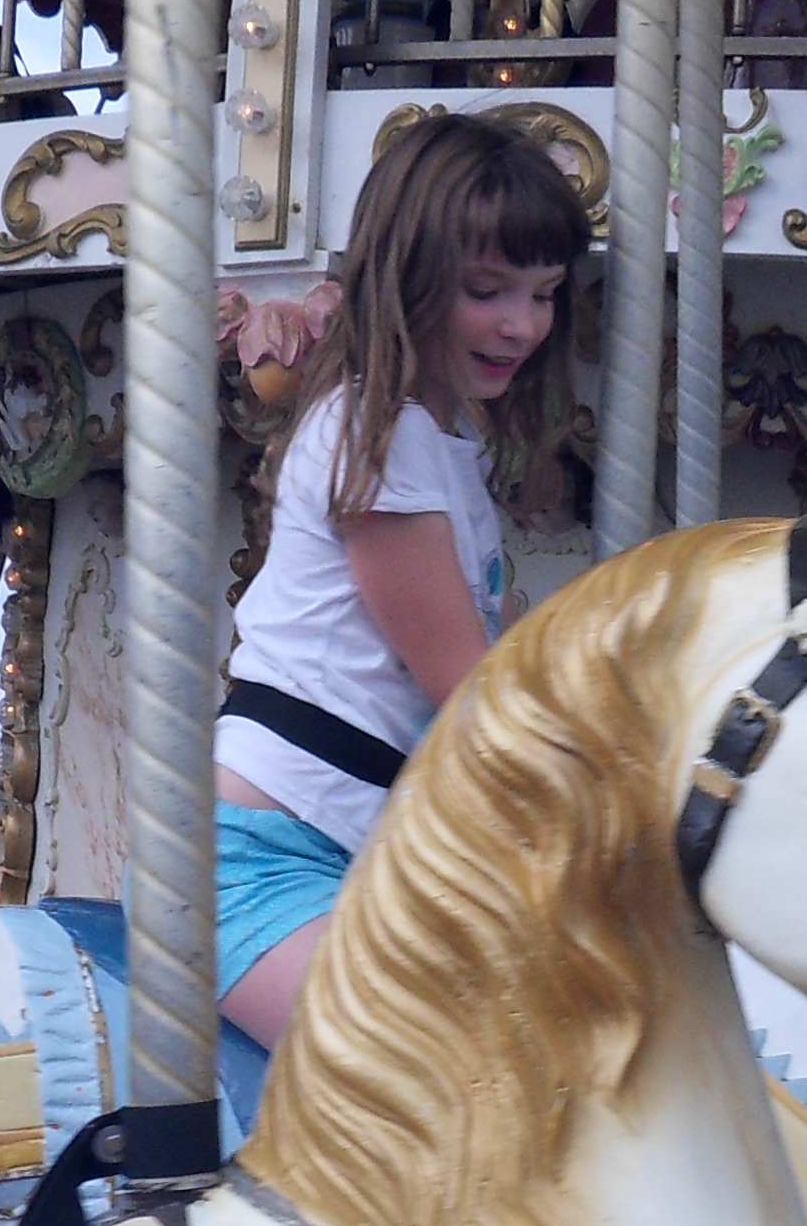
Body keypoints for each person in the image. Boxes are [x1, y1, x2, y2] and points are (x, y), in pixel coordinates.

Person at [212, 112, 582, 1046]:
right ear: (408, 279)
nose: (522, 324)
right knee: (450, 1071)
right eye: (487, 291)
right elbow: (469, 692)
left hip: (371, 855)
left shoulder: (448, 443)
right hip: (262, 863)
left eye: (544, 294)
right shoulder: (378, 436)